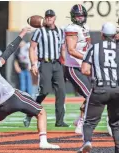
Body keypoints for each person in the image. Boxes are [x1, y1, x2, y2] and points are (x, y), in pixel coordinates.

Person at [0, 27, 59, 149]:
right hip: (12, 97)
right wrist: (22, 34)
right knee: (41, 112)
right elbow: (9, 50)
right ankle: (43, 141)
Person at [77, 22, 119, 153]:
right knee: (116, 123)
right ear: (114, 35)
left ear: (102, 34)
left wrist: (98, 72)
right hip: (117, 89)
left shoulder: (94, 48)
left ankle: (87, 141)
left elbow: (84, 70)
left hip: (99, 88)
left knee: (89, 121)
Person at [24, 9, 68, 128]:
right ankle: (30, 113)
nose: (49, 18)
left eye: (51, 16)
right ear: (45, 18)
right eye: (47, 16)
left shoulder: (60, 31)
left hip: (57, 64)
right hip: (45, 63)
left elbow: (63, 49)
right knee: (45, 91)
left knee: (61, 92)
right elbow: (32, 48)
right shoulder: (40, 31)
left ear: (55, 18)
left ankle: (60, 121)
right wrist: (33, 64)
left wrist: (66, 65)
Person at [64, 4, 93, 135]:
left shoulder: (86, 27)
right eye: (77, 16)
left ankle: (80, 118)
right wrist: (88, 58)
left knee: (95, 94)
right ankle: (82, 121)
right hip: (73, 67)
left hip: (85, 66)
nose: (80, 18)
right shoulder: (72, 28)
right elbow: (71, 50)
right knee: (90, 95)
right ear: (73, 17)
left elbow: (89, 45)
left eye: (82, 15)